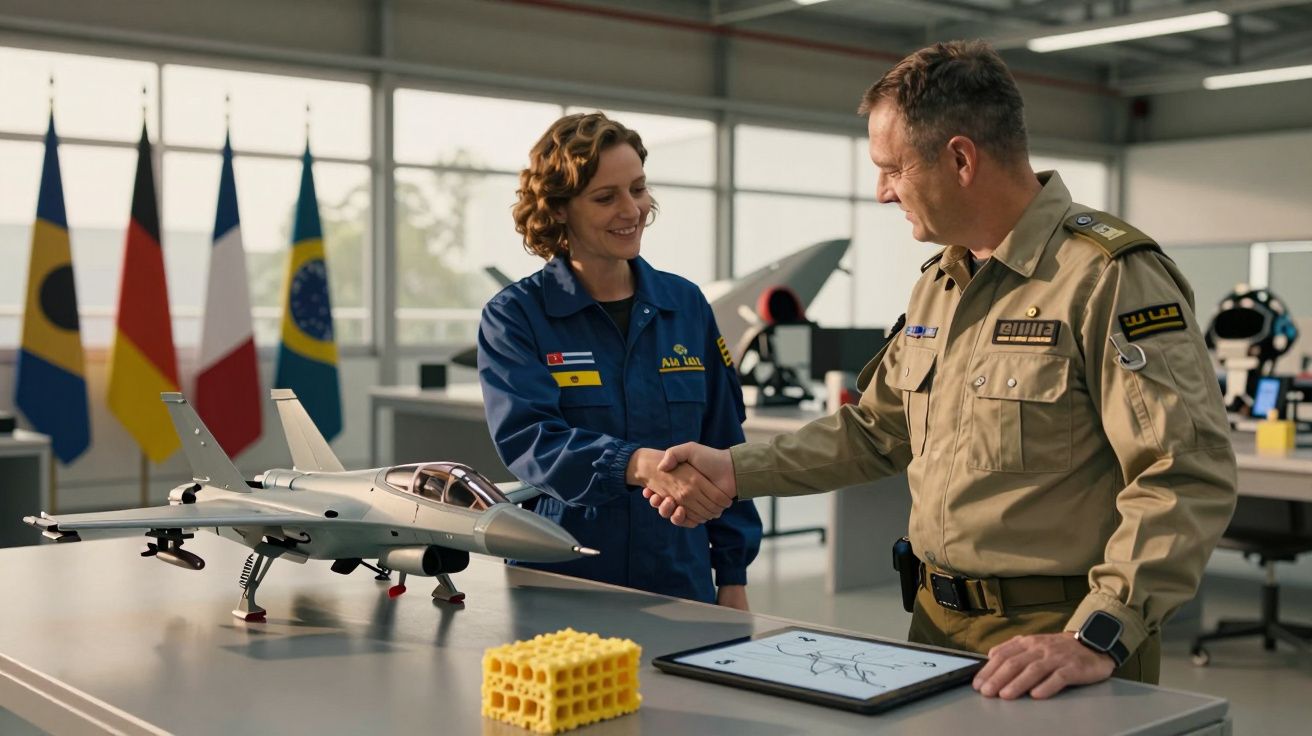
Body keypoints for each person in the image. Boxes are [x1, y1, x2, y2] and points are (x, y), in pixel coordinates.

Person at [643, 41, 1237, 697]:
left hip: (1056, 646)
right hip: (933, 629)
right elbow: (877, 429)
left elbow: (1182, 472)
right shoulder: (942, 283)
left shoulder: (1107, 278)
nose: (880, 192)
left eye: (892, 169)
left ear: (960, 158)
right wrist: (736, 468)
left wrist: (1101, 631)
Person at [477, 112, 761, 609]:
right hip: (564, 573)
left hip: (679, 573)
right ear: (560, 209)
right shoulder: (516, 316)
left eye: (638, 189)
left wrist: (732, 575)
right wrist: (638, 464)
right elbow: (530, 440)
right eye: (606, 198)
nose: (632, 210)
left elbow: (724, 443)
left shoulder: (686, 305)